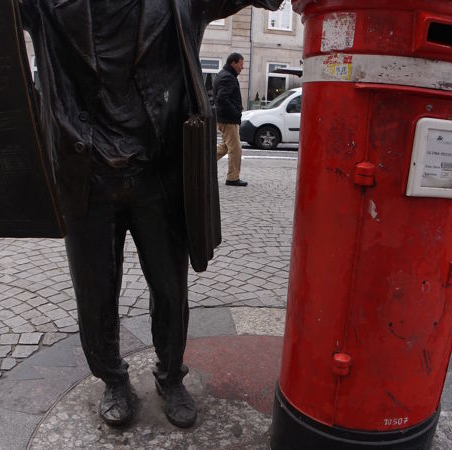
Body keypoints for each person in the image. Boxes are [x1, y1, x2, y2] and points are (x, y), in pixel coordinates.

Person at [18, 0, 283, 429]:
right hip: (86, 175)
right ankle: (113, 380)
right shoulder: (50, 6)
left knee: (169, 287)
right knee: (96, 292)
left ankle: (170, 376)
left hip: (158, 174)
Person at [214, 53, 248, 187]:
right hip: (228, 119)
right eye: (241, 64)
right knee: (235, 148)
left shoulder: (224, 75)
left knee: (224, 147)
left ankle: (202, 163)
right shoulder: (228, 77)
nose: (242, 67)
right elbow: (222, 98)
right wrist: (235, 112)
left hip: (225, 118)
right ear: (233, 63)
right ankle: (232, 178)